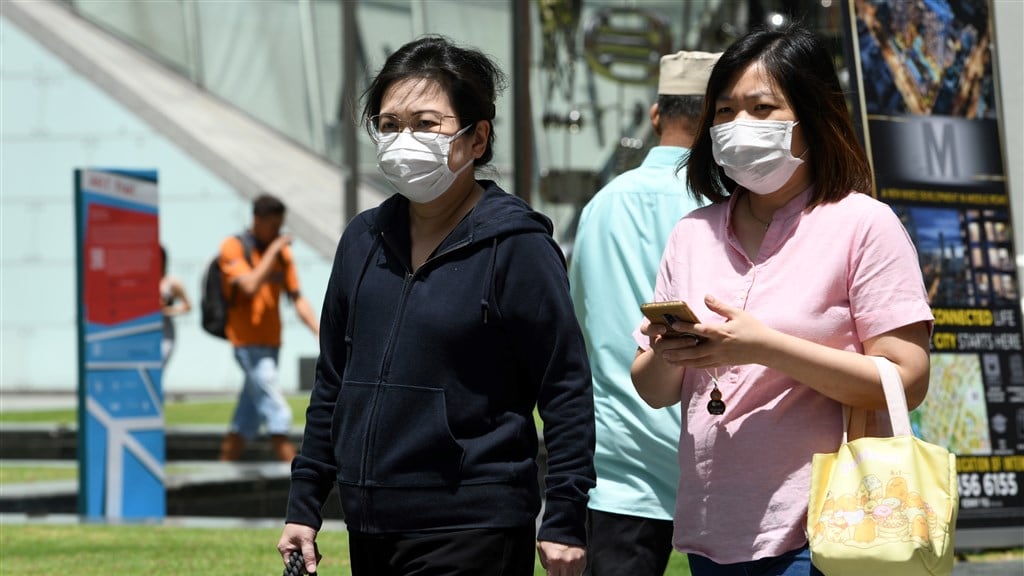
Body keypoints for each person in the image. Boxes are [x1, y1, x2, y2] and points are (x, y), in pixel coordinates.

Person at [277, 36, 595, 576]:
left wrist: (564, 514)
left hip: (474, 523)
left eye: (427, 123)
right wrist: (305, 502)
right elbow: (334, 379)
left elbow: (564, 387)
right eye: (390, 123)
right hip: (370, 523)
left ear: (477, 139)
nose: (405, 140)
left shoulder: (516, 245)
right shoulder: (363, 239)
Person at [630, 24, 933, 576]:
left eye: (762, 108)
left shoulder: (862, 224)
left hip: (824, 529)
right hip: (710, 532)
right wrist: (669, 348)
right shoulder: (692, 232)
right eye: (724, 111)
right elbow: (652, 390)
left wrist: (764, 347)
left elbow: (907, 379)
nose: (738, 126)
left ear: (813, 119)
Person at [568, 50, 719, 576]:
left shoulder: (600, 205)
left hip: (619, 466)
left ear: (656, 115)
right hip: (716, 457)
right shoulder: (726, 207)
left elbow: (579, 319)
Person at [216, 193, 320, 463]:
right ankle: (301, 484)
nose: (277, 233)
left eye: (280, 226)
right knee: (278, 413)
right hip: (246, 344)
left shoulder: (282, 255)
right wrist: (274, 250)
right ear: (257, 220)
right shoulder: (233, 247)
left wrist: (320, 333)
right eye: (273, 226)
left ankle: (222, 469)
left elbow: (297, 297)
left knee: (245, 421)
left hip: (272, 343)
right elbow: (249, 286)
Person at [159, 245, 192, 366]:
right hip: (145, 328)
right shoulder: (143, 281)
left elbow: (188, 306)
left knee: (161, 363)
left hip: (165, 330)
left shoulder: (172, 282)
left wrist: (167, 311)